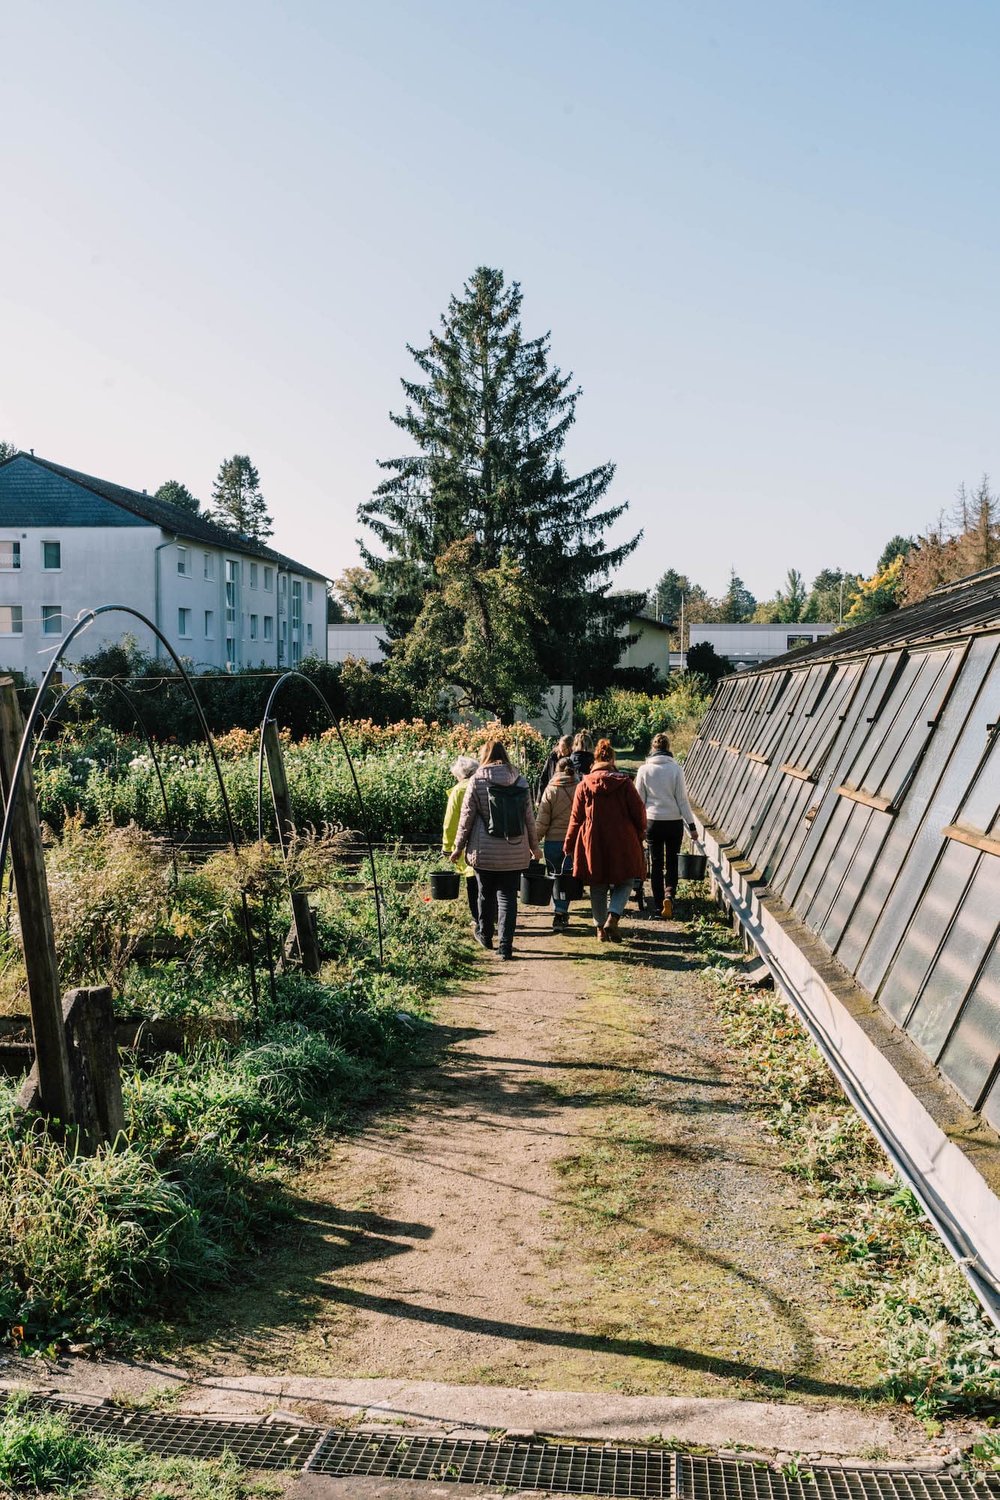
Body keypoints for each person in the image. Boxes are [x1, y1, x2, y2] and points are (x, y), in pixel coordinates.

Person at [451, 740, 542, 960]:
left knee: (485, 894)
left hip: (485, 851)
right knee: (508, 898)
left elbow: (466, 819)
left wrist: (458, 847)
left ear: (484, 756)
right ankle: (506, 946)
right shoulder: (520, 781)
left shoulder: (477, 780)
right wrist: (534, 848)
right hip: (514, 850)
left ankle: (485, 935)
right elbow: (529, 819)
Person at [564, 739, 646, 943]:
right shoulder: (625, 783)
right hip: (622, 838)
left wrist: (569, 843)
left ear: (595, 760)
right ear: (612, 760)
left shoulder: (584, 784)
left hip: (593, 839)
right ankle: (614, 915)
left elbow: (576, 818)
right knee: (626, 880)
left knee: (597, 884)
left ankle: (600, 928)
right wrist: (640, 832)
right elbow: (639, 812)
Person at [634, 732, 697, 920]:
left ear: (652, 748)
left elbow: (639, 801)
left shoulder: (644, 770)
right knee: (671, 863)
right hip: (673, 821)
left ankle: (658, 904)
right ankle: (669, 895)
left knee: (656, 864)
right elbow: (683, 801)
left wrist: (639, 826)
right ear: (668, 748)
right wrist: (692, 826)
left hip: (653, 821)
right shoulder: (676, 769)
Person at [534, 755, 579, 929]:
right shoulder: (579, 787)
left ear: (556, 770)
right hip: (574, 840)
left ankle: (559, 910)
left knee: (554, 876)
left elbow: (543, 820)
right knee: (567, 877)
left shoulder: (550, 789)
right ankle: (561, 911)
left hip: (552, 841)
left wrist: (535, 841)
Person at [441, 754, 481, 931]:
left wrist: (447, 847)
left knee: (472, 882)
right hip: (487, 842)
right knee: (487, 882)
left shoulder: (459, 790)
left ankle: (477, 918)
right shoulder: (484, 786)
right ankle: (490, 915)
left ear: (461, 773)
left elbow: (450, 822)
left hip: (464, 843)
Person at [537, 734, 573, 798]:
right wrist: (539, 798)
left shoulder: (572, 760)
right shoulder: (553, 757)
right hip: (552, 793)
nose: (562, 751)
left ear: (570, 748)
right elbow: (544, 777)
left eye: (564, 749)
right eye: (561, 748)